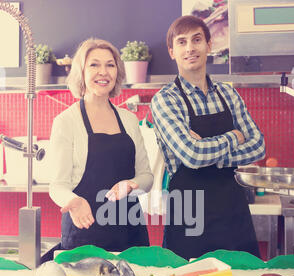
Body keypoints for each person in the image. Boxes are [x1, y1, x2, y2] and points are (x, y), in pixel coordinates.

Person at [151, 15, 265, 261]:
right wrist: (235, 136)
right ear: (172, 52)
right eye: (182, 42)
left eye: (197, 40)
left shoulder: (228, 93)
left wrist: (206, 150)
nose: (190, 48)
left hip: (232, 212)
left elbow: (258, 146)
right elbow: (192, 155)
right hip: (189, 217)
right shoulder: (165, 99)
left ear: (209, 45)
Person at [49, 38, 153, 252]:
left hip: (129, 231)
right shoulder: (66, 121)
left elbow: (147, 177)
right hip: (85, 230)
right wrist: (73, 201)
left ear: (117, 72)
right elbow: (57, 185)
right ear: (82, 71)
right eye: (94, 64)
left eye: (110, 65)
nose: (103, 72)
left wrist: (132, 184)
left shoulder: (129, 119)